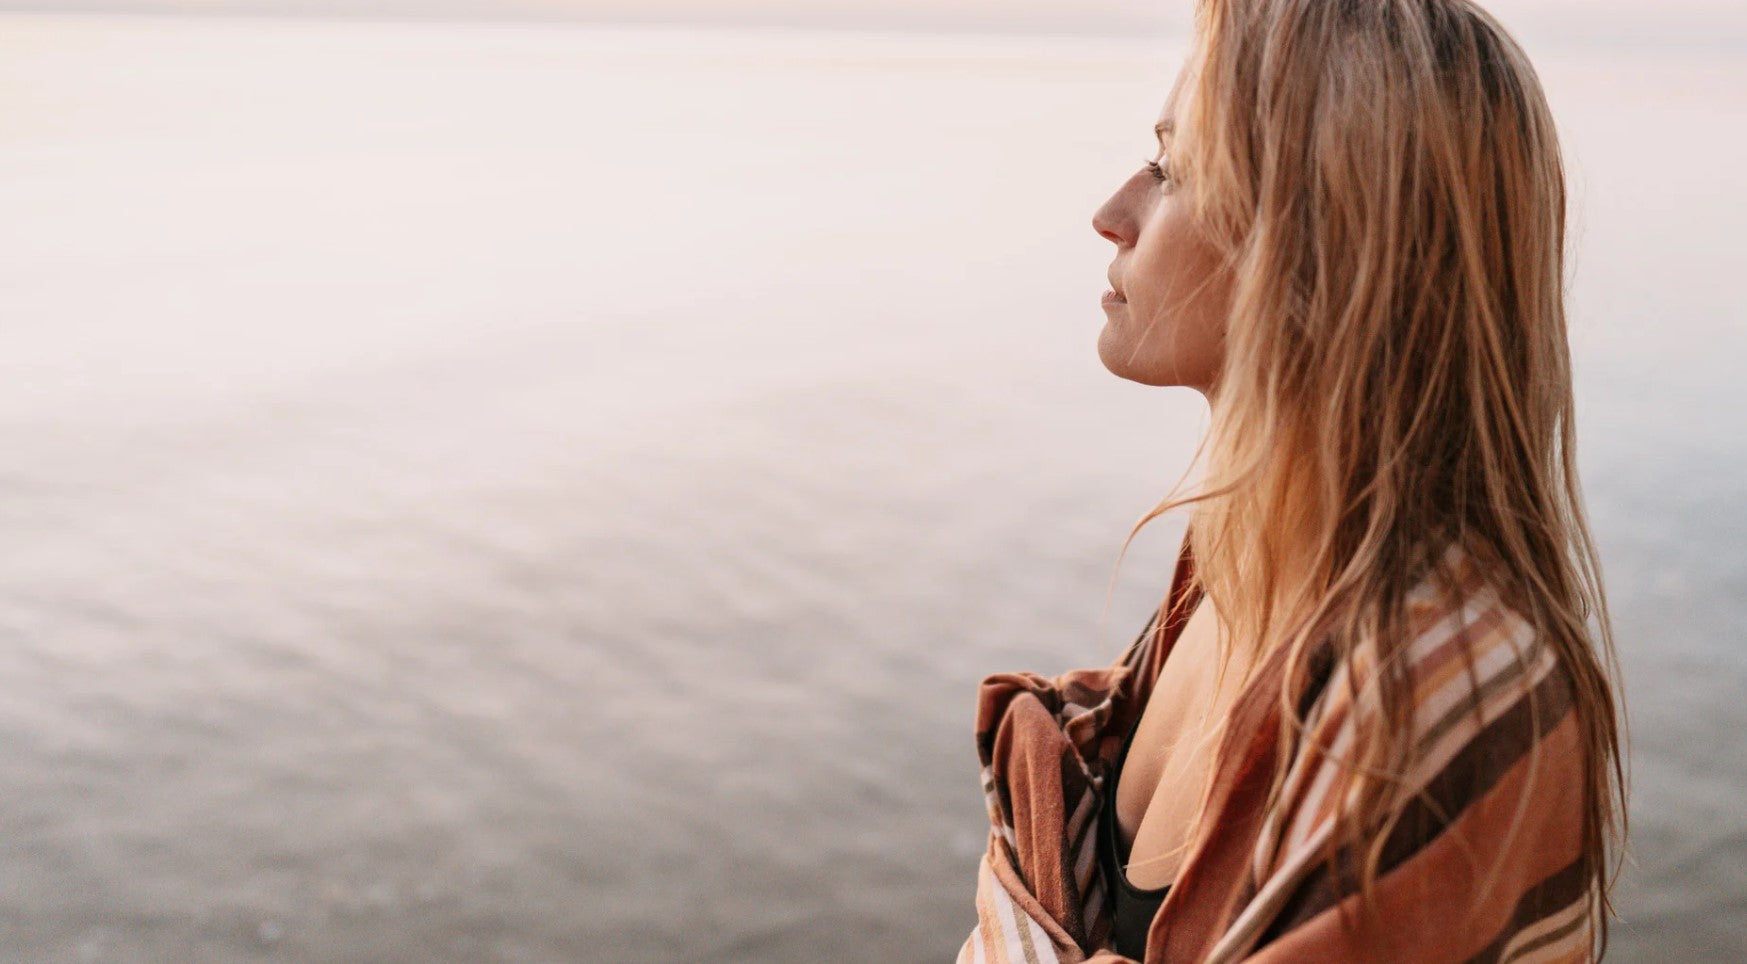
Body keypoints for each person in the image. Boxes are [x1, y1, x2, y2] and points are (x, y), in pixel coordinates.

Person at [957, 1, 1629, 961]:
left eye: (1175, 168)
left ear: (1322, 243)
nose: (1111, 214)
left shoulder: (1442, 695)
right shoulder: (1232, 563)